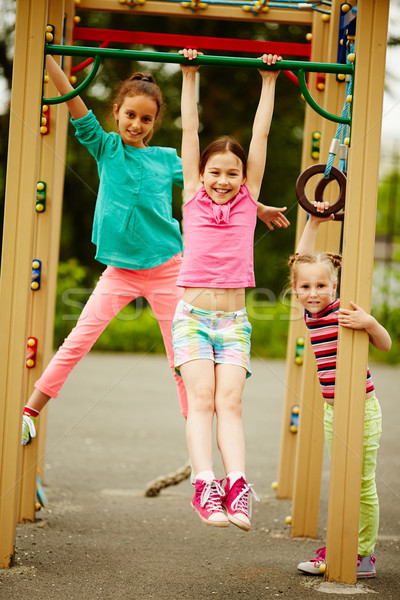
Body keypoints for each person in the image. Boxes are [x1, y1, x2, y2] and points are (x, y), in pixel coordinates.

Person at [21, 55, 189, 444]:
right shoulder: (106, 147)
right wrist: (46, 60)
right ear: (117, 112)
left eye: (146, 119)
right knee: (80, 338)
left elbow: (211, 184)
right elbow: (75, 104)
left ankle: (195, 429)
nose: (136, 124)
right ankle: (30, 410)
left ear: (155, 122)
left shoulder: (166, 160)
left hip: (168, 268)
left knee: (181, 354)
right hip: (121, 270)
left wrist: (256, 204)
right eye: (130, 114)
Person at [173, 48, 289, 530]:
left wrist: (269, 81)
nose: (223, 180)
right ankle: (206, 485)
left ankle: (237, 486)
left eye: (232, 173)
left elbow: (259, 134)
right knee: (201, 401)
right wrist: (189, 75)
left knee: (231, 404)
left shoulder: (248, 202)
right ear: (201, 174)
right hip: (193, 318)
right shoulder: (192, 198)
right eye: (215, 172)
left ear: (244, 178)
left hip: (234, 321)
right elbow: (190, 130)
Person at [289, 208, 391, 577]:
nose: (313, 292)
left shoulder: (343, 311)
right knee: (343, 477)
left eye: (321, 285)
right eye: (305, 286)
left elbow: (385, 345)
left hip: (362, 408)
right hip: (334, 409)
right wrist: (314, 224)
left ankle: (362, 555)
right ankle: (346, 545)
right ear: (295, 288)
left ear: (334, 286)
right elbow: (301, 261)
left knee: (361, 484)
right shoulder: (310, 315)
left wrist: (370, 322)